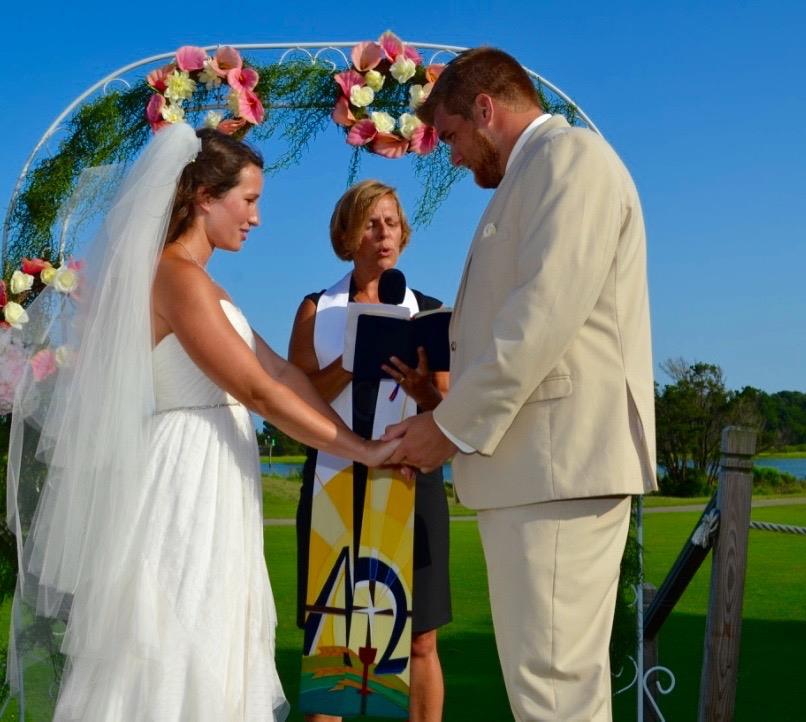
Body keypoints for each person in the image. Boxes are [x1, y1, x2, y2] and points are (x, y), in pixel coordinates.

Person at [6, 124, 398, 721]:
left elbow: (282, 373)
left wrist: (357, 441)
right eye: (249, 200)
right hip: (185, 481)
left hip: (217, 476)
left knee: (213, 632)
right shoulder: (176, 277)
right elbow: (257, 390)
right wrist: (362, 452)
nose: (257, 218)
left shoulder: (205, 283)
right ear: (204, 198)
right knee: (178, 639)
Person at [383, 48, 657, 721]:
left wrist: (447, 427)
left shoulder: (572, 160)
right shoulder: (533, 174)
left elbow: (543, 313)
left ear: (486, 108)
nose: (451, 156)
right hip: (535, 470)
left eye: (451, 135)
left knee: (552, 691)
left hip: (557, 468)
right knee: (550, 688)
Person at [288, 180, 452, 722]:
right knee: (332, 636)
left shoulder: (428, 312)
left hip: (410, 479)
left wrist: (422, 388)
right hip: (334, 479)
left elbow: (448, 406)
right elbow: (294, 397)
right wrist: (351, 360)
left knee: (420, 638)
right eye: (370, 223)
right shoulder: (317, 309)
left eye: (392, 222)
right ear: (347, 235)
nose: (384, 233)